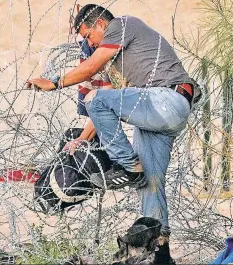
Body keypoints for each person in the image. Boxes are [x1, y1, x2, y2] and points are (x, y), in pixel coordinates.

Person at [27, 4, 200, 263]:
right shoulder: (118, 62)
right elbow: (104, 109)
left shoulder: (122, 25)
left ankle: (128, 166)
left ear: (100, 25)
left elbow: (92, 76)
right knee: (150, 185)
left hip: (166, 99)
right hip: (158, 114)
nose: (89, 43)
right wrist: (80, 141)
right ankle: (160, 254)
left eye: (88, 36)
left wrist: (55, 82)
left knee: (95, 100)